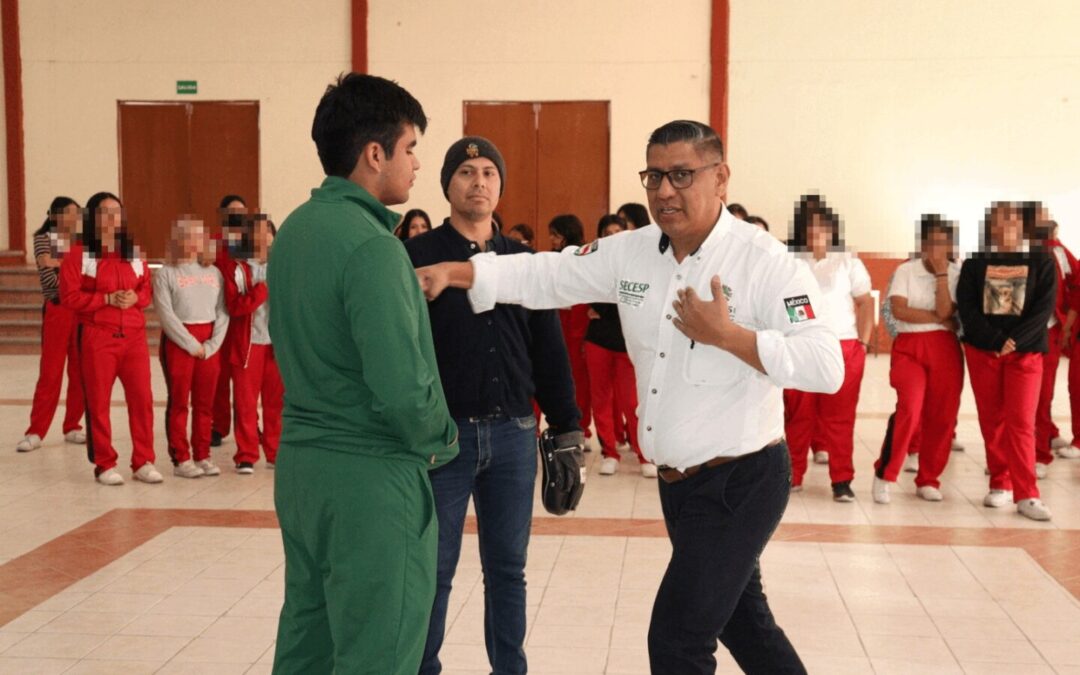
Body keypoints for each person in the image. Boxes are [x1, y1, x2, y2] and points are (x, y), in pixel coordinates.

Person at [418, 119, 842, 674]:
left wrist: (731, 337)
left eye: (682, 175)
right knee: (745, 623)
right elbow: (549, 274)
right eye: (655, 176)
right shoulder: (634, 252)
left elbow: (825, 364)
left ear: (721, 179)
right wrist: (458, 271)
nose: (665, 191)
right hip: (679, 486)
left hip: (741, 480)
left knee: (677, 642)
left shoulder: (763, 262)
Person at [267, 73, 458, 674]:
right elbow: (403, 386)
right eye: (410, 149)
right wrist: (442, 441)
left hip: (303, 470)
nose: (417, 164)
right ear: (374, 154)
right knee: (379, 652)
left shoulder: (297, 230)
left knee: (309, 643)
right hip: (369, 480)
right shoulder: (372, 246)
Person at [405, 136, 581, 675]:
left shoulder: (525, 263)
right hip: (444, 439)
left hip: (513, 436)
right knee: (433, 569)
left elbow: (548, 351)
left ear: (499, 185)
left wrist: (568, 426)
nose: (478, 181)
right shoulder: (414, 257)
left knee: (508, 569)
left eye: (488, 172)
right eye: (466, 172)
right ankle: (421, 667)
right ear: (447, 185)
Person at [957, 201, 1056, 521]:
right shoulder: (976, 263)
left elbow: (1043, 310)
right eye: (998, 221)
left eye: (1012, 220)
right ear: (990, 227)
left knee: (1022, 422)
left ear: (1022, 226)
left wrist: (1013, 342)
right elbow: (967, 307)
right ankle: (1000, 482)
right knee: (992, 420)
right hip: (984, 352)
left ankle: (1027, 494)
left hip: (1025, 354)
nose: (1006, 227)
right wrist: (996, 341)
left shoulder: (1041, 260)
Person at [60, 192, 160, 486]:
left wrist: (134, 298)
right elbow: (70, 297)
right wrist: (104, 298)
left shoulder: (134, 252)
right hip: (97, 336)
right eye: (106, 213)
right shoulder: (79, 254)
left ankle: (143, 460)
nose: (113, 219)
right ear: (93, 218)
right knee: (99, 402)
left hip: (134, 337)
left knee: (142, 399)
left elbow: (146, 290)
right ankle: (104, 463)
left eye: (118, 212)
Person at [783, 195, 873, 502]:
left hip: (845, 344)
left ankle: (842, 479)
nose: (815, 230)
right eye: (809, 224)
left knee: (840, 416)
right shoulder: (792, 260)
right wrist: (802, 332)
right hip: (804, 344)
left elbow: (865, 301)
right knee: (800, 415)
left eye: (821, 224)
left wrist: (863, 340)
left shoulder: (847, 260)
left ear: (832, 228)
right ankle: (792, 474)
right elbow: (791, 301)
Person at [871, 215, 963, 504]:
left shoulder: (955, 273)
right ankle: (886, 475)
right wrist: (937, 317)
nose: (937, 247)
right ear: (922, 244)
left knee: (943, 415)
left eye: (943, 242)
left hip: (945, 349)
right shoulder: (905, 271)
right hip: (910, 347)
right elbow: (899, 310)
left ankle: (929, 478)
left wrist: (941, 276)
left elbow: (948, 311)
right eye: (931, 241)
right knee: (909, 408)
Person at [154, 216, 229, 478]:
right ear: (178, 239)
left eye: (199, 235)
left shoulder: (213, 272)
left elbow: (222, 311)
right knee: (179, 403)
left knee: (205, 403)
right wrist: (191, 344)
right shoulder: (166, 273)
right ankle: (181, 458)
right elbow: (166, 315)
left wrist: (211, 345)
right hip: (179, 342)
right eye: (189, 235)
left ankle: (203, 454)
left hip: (209, 341)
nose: (195, 241)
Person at [586, 214, 656, 477]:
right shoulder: (594, 262)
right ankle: (609, 453)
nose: (612, 236)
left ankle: (644, 454)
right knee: (601, 398)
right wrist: (605, 305)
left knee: (632, 401)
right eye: (607, 232)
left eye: (617, 231)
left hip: (627, 343)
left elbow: (638, 301)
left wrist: (606, 305)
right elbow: (592, 299)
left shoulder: (637, 262)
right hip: (598, 341)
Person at [16, 197, 86, 453]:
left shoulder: (81, 241)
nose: (75, 218)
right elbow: (46, 265)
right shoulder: (44, 237)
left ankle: (73, 425)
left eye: (77, 214)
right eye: (70, 213)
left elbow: (82, 271)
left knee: (80, 371)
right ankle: (36, 430)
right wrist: (70, 267)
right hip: (57, 308)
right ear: (56, 216)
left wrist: (62, 264)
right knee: (51, 372)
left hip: (79, 310)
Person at [222, 214, 281, 473]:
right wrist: (261, 290)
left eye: (267, 230)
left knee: (276, 403)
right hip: (248, 344)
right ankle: (246, 454)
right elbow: (236, 307)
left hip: (276, 345)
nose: (263, 235)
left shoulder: (284, 266)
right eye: (257, 231)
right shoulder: (238, 269)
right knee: (246, 403)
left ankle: (275, 451)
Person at [1027, 206, 1080, 475]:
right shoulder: (1022, 252)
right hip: (1025, 332)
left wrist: (1067, 322)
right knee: (1032, 393)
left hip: (1045, 330)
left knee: (1040, 391)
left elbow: (1076, 283)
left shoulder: (1056, 250)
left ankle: (1040, 449)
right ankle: (1035, 444)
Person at [548, 214, 593, 442]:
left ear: (565, 235)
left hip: (577, 319)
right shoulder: (551, 258)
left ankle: (582, 427)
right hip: (558, 317)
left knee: (579, 378)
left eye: (555, 235)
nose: (552, 239)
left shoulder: (586, 256)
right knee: (556, 372)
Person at [211, 194, 247, 448]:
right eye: (232, 212)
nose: (237, 217)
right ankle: (218, 425)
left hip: (246, 316)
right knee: (220, 378)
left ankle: (248, 424)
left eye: (241, 212)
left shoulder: (254, 243)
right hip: (219, 317)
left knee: (247, 379)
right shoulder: (212, 244)